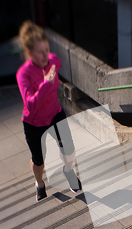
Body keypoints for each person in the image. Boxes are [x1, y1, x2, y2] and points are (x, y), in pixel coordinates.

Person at [17, 20, 81, 201]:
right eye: (40, 51)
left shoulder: (52, 61)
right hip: (34, 122)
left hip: (54, 114)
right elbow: (30, 104)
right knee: (39, 160)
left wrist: (50, 75)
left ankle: (67, 171)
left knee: (69, 149)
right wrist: (46, 84)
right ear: (29, 53)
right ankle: (39, 184)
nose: (46, 55)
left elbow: (58, 60)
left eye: (47, 49)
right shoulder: (24, 74)